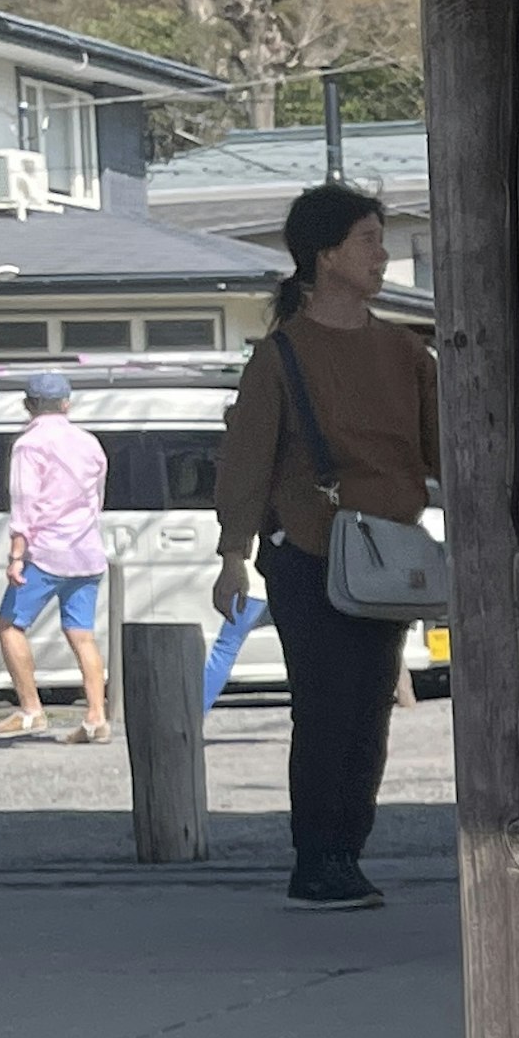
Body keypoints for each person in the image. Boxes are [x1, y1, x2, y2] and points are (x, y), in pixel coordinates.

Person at [213, 181, 440, 914]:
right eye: (368, 240)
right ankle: (318, 860)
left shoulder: (408, 352)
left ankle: (347, 853)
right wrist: (231, 556)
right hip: (306, 553)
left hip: (389, 557)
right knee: (325, 705)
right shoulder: (281, 355)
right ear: (326, 255)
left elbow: (446, 452)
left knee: (372, 705)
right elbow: (246, 460)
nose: (381, 255)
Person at [0, 368, 113, 744]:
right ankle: (96, 718)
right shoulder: (90, 443)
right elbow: (98, 497)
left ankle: (31, 710)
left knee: (9, 625)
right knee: (82, 634)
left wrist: (16, 554)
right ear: (66, 403)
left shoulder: (29, 445)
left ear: (28, 406)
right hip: (87, 551)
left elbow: (24, 502)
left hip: (45, 553)